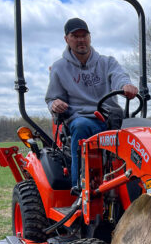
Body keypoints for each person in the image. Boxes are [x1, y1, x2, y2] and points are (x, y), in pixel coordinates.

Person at [45, 17, 138, 193]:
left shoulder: (107, 62)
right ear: (67, 39)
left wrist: (125, 86)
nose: (81, 40)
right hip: (80, 117)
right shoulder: (59, 68)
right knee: (82, 126)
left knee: (143, 130)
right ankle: (80, 187)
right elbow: (52, 98)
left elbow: (119, 76)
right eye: (75, 36)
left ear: (90, 37)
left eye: (84, 35)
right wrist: (54, 104)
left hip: (111, 117)